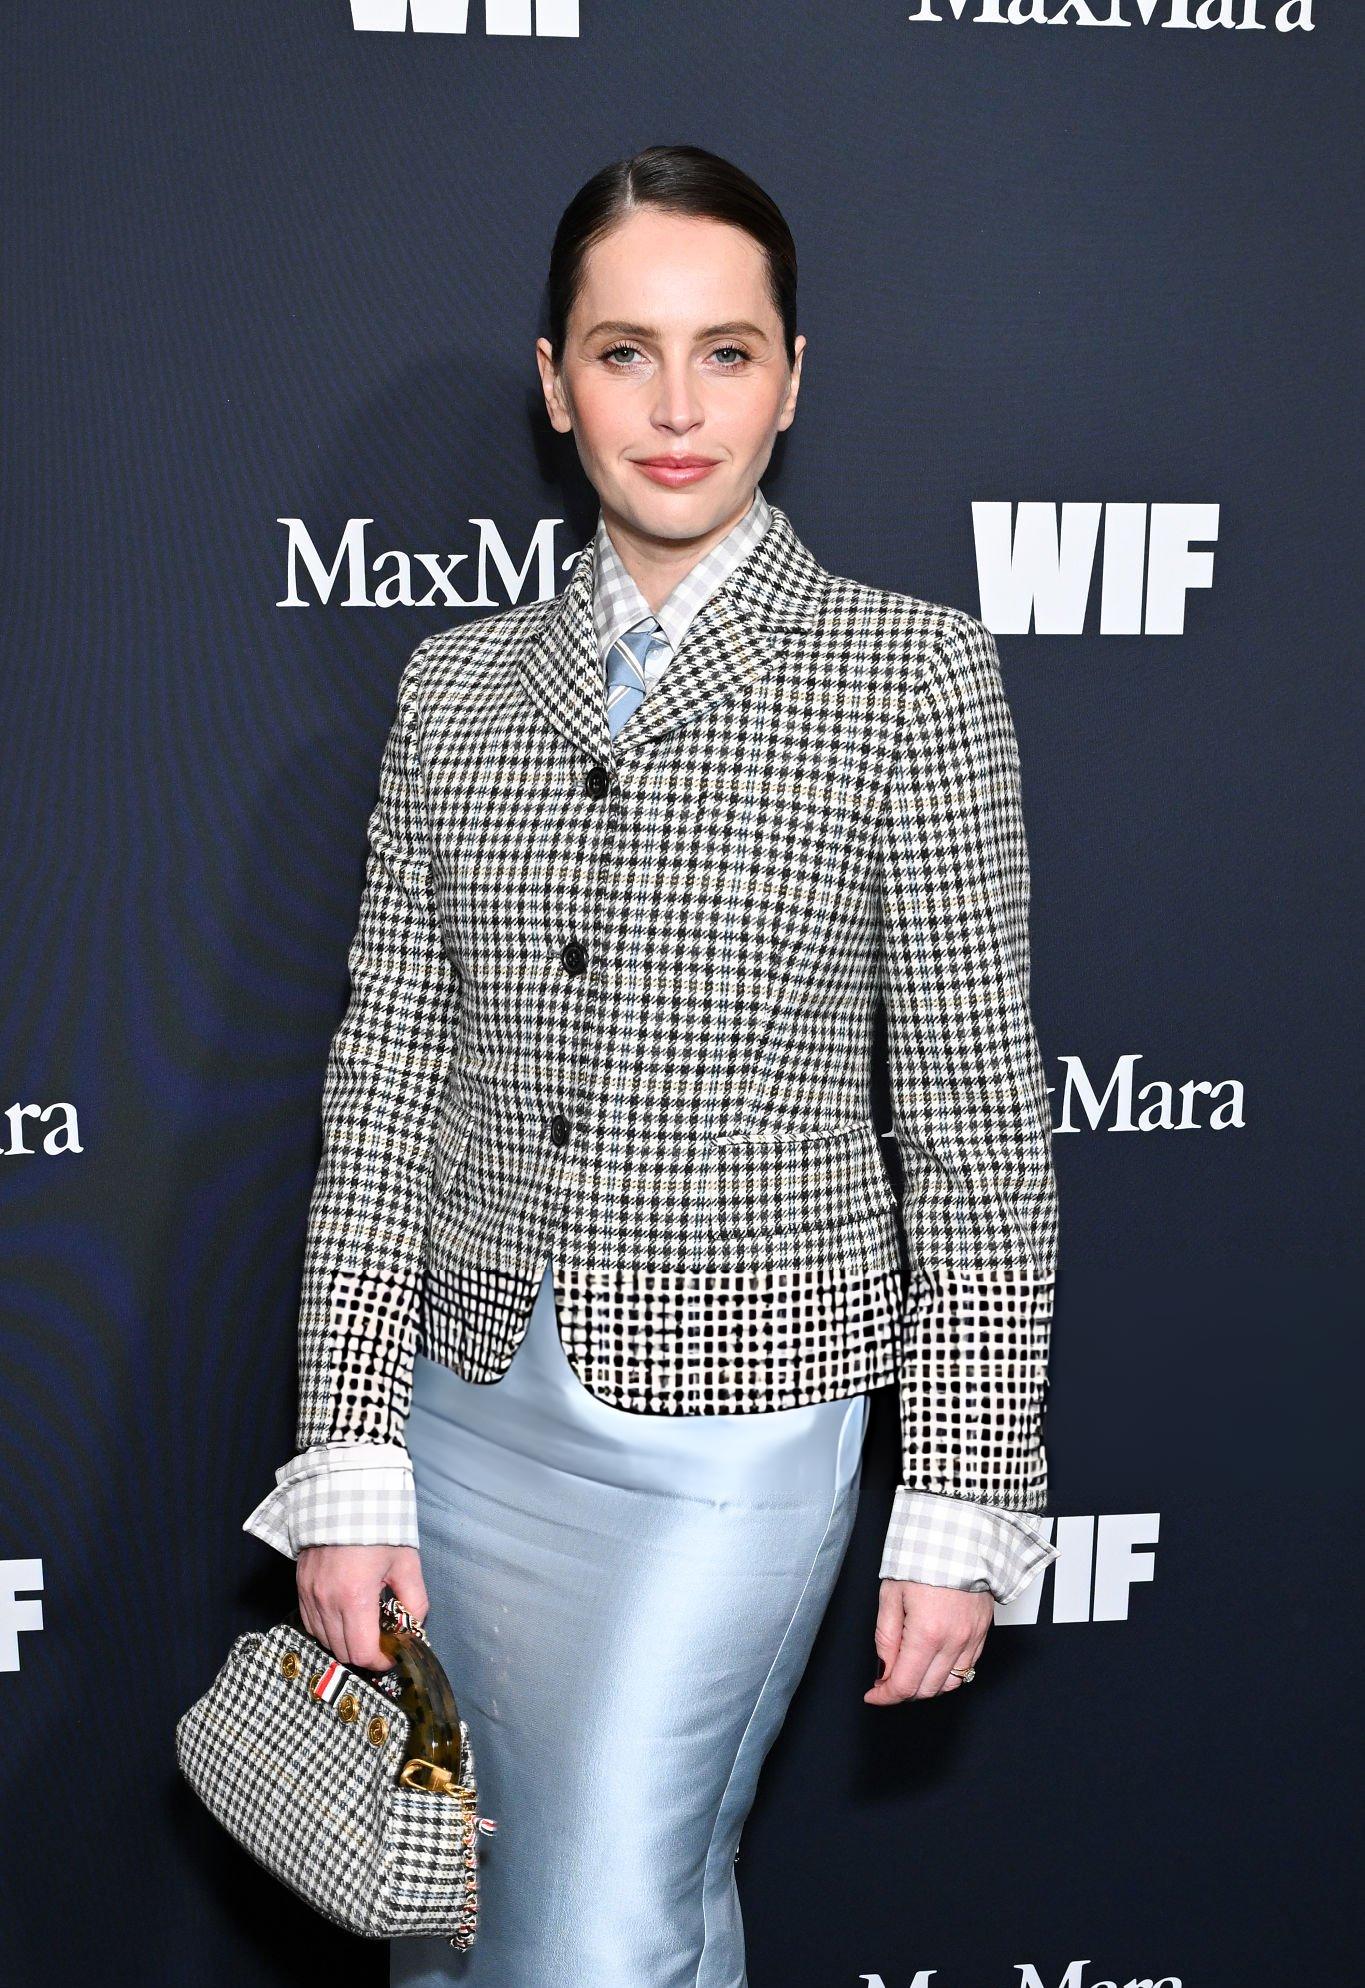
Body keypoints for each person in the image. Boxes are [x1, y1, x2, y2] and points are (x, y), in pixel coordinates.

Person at [243, 145, 1061, 1987]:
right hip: (458, 1402)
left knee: (603, 1922)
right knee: (450, 1914)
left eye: (726, 352)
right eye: (625, 352)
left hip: (729, 1434)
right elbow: (387, 1083)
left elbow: (978, 1141)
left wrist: (960, 1497)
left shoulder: (911, 681)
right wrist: (349, 1443)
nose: (677, 408)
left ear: (792, 378)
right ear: (556, 383)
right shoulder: (454, 689)